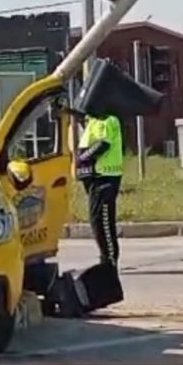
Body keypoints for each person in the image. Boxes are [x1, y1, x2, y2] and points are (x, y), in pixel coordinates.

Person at [75, 111, 124, 266]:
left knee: (102, 222)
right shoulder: (93, 119)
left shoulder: (107, 119)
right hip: (95, 177)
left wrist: (82, 158)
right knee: (97, 222)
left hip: (104, 177)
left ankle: (109, 263)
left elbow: (103, 143)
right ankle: (106, 260)